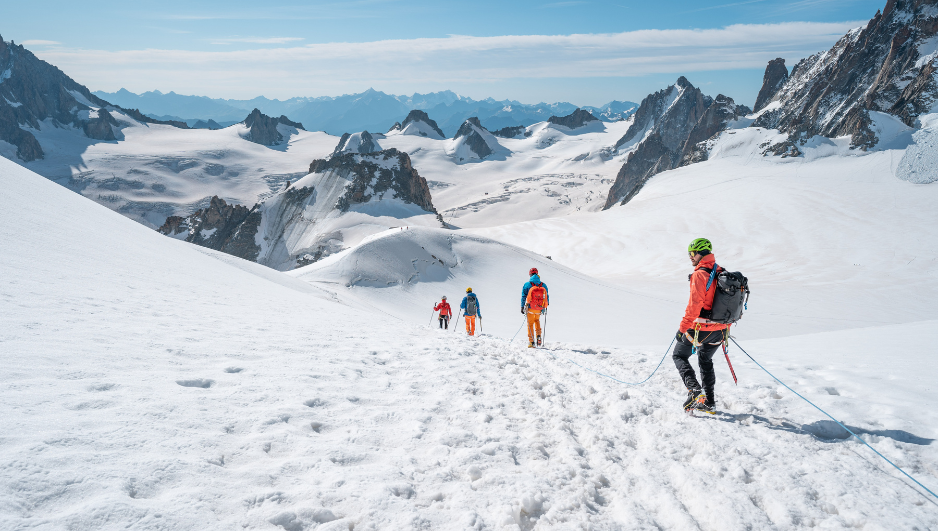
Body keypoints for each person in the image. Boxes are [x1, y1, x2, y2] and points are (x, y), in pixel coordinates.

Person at [674, 238, 730, 413]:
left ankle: (694, 389)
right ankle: (709, 402)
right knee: (705, 360)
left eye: (692, 254)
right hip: (721, 330)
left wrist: (682, 329)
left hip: (701, 329)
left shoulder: (700, 274)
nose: (690, 257)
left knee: (679, 355)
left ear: (700, 253)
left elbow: (694, 307)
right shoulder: (721, 271)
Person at [521, 267, 549, 348]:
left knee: (530, 324)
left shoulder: (527, 284)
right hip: (539, 308)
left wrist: (522, 306)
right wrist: (545, 306)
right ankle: (539, 337)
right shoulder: (543, 285)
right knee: (537, 321)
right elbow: (547, 296)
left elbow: (523, 296)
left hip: (530, 307)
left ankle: (531, 342)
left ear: (530, 275)